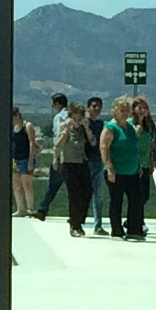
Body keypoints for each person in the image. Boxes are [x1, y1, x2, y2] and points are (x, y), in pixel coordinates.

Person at [101, 92, 154, 240]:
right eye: (122, 110)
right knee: (116, 200)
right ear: (115, 111)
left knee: (136, 199)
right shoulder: (111, 127)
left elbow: (136, 146)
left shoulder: (131, 127)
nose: (125, 113)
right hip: (116, 170)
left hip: (132, 170)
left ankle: (134, 229)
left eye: (127, 111)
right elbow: (104, 148)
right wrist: (109, 166)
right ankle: (117, 230)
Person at [56, 94, 102, 236]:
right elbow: (58, 144)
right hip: (68, 163)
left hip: (82, 162)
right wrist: (66, 131)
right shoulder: (64, 126)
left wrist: (87, 129)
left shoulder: (83, 128)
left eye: (79, 118)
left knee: (87, 192)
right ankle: (74, 225)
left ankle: (79, 220)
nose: (76, 121)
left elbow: (93, 142)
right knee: (74, 194)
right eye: (74, 118)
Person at [10, 107, 39, 218]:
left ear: (17, 115)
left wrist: (31, 160)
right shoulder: (13, 128)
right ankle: (20, 209)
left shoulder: (27, 126)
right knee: (16, 184)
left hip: (26, 157)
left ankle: (30, 208)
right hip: (15, 159)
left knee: (27, 184)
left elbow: (32, 142)